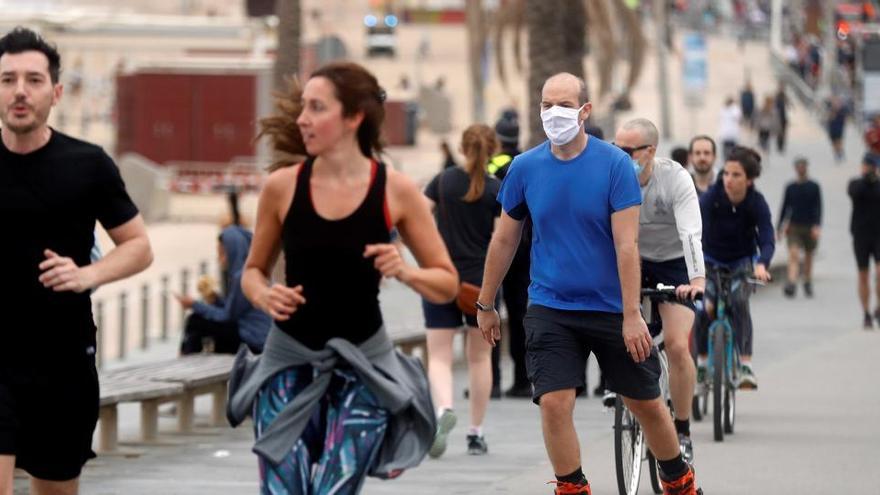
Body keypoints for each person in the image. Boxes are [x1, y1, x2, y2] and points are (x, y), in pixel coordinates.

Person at [231, 62, 459, 494]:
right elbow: (253, 273)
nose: (302, 119)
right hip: (287, 361)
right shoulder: (282, 187)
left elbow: (447, 282)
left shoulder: (396, 190)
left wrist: (405, 270)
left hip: (365, 366)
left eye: (317, 108)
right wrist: (264, 296)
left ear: (353, 118)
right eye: (302, 107)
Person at [477, 73, 701, 495]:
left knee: (648, 405)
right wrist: (486, 304)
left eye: (563, 105)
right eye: (546, 105)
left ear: (585, 111)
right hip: (550, 307)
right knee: (554, 404)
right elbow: (505, 239)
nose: (553, 114)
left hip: (611, 308)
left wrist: (632, 315)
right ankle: (572, 488)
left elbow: (627, 244)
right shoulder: (525, 168)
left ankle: (678, 480)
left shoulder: (614, 164)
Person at [0, 27, 153, 494]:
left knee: (56, 485)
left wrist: (86, 274)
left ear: (57, 92)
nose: (20, 91)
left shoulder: (87, 164)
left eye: (33, 79)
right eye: (7, 80)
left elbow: (139, 246)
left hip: (62, 357)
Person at [614, 118, 705, 463]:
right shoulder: (610, 176)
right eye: (615, 148)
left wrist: (696, 280)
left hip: (673, 263)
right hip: (630, 258)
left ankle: (681, 428)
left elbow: (691, 233)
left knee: (679, 345)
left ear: (650, 151)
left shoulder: (675, 179)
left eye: (627, 151)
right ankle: (618, 386)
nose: (619, 156)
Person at [422, 124, 501, 457]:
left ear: (463, 146)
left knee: (439, 355)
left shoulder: (442, 182)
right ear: (492, 150)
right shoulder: (498, 189)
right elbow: (501, 242)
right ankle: (475, 432)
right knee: (479, 358)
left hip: (441, 278)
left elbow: (419, 222)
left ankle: (444, 409)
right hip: (480, 284)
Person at [696, 146, 774, 390]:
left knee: (740, 303)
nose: (728, 179)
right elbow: (694, 229)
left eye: (736, 175)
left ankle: (745, 365)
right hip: (709, 260)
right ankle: (702, 362)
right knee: (703, 308)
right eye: (726, 173)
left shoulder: (756, 202)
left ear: (749, 180)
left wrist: (762, 264)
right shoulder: (711, 198)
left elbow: (767, 237)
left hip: (741, 262)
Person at [488, 108, 531, 399]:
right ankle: (521, 380)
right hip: (525, 250)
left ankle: (491, 382)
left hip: (496, 246)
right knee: (519, 316)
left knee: (488, 310)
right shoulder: (527, 164)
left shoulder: (489, 168)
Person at [175, 225, 271, 354]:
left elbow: (227, 316)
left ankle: (186, 360)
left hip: (252, 339)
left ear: (234, 251)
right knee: (211, 326)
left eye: (222, 253)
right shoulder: (254, 270)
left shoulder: (243, 276)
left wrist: (194, 305)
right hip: (256, 335)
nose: (220, 258)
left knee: (196, 321)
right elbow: (235, 310)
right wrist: (216, 299)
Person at [777, 157, 822, 298]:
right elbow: (784, 207)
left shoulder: (814, 186)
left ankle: (807, 281)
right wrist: (779, 226)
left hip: (809, 226)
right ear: (796, 169)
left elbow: (819, 207)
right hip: (794, 226)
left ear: (806, 168)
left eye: (803, 166)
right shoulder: (790, 187)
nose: (801, 169)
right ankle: (791, 282)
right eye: (799, 166)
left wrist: (817, 226)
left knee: (808, 256)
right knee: (793, 254)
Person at [847, 153, 880, 329]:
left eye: (872, 166)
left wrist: (874, 180)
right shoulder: (855, 184)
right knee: (863, 275)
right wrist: (866, 179)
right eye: (867, 166)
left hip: (879, 235)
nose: (869, 169)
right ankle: (866, 312)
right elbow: (855, 193)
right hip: (861, 235)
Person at [825, 96, 849, 162]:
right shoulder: (829, 109)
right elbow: (828, 119)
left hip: (839, 128)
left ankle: (840, 153)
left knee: (839, 141)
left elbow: (845, 119)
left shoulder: (842, 110)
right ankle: (837, 153)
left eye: (837, 102)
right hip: (832, 128)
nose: (835, 104)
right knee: (833, 143)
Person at [774, 83, 790, 153]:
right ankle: (779, 145)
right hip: (778, 118)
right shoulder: (777, 97)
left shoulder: (785, 97)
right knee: (779, 132)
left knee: (783, 132)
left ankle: (782, 146)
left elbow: (788, 107)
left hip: (784, 118)